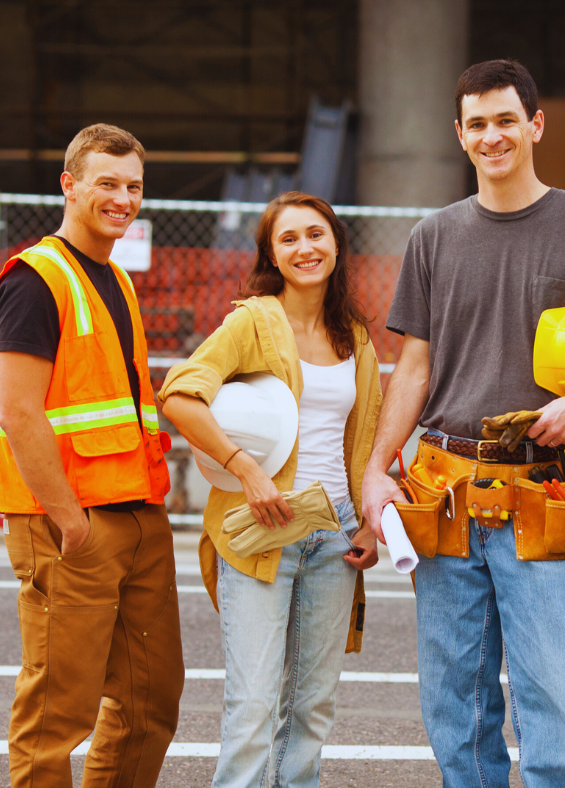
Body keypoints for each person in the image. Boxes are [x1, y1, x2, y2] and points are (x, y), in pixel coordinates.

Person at [361, 59, 565, 788]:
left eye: (506, 119)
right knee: (456, 714)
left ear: (535, 125)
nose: (492, 135)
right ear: (459, 135)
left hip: (546, 497)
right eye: (477, 123)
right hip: (445, 495)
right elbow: (413, 369)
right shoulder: (433, 237)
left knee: (558, 714)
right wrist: (377, 468)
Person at [159, 191, 380, 788]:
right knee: (254, 704)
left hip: (334, 532)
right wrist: (246, 468)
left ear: (336, 243)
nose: (305, 248)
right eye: (289, 239)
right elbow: (179, 393)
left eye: (316, 234)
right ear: (271, 256)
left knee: (313, 705)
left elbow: (360, 441)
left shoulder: (355, 337)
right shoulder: (253, 320)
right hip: (263, 530)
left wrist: (366, 519)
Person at [0, 124, 184, 787]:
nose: (123, 198)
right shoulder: (36, 279)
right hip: (70, 524)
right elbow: (17, 411)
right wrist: (68, 521)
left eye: (133, 187)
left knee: (151, 700)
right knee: (57, 712)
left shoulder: (115, 279)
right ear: (69, 185)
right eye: (107, 183)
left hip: (137, 513)